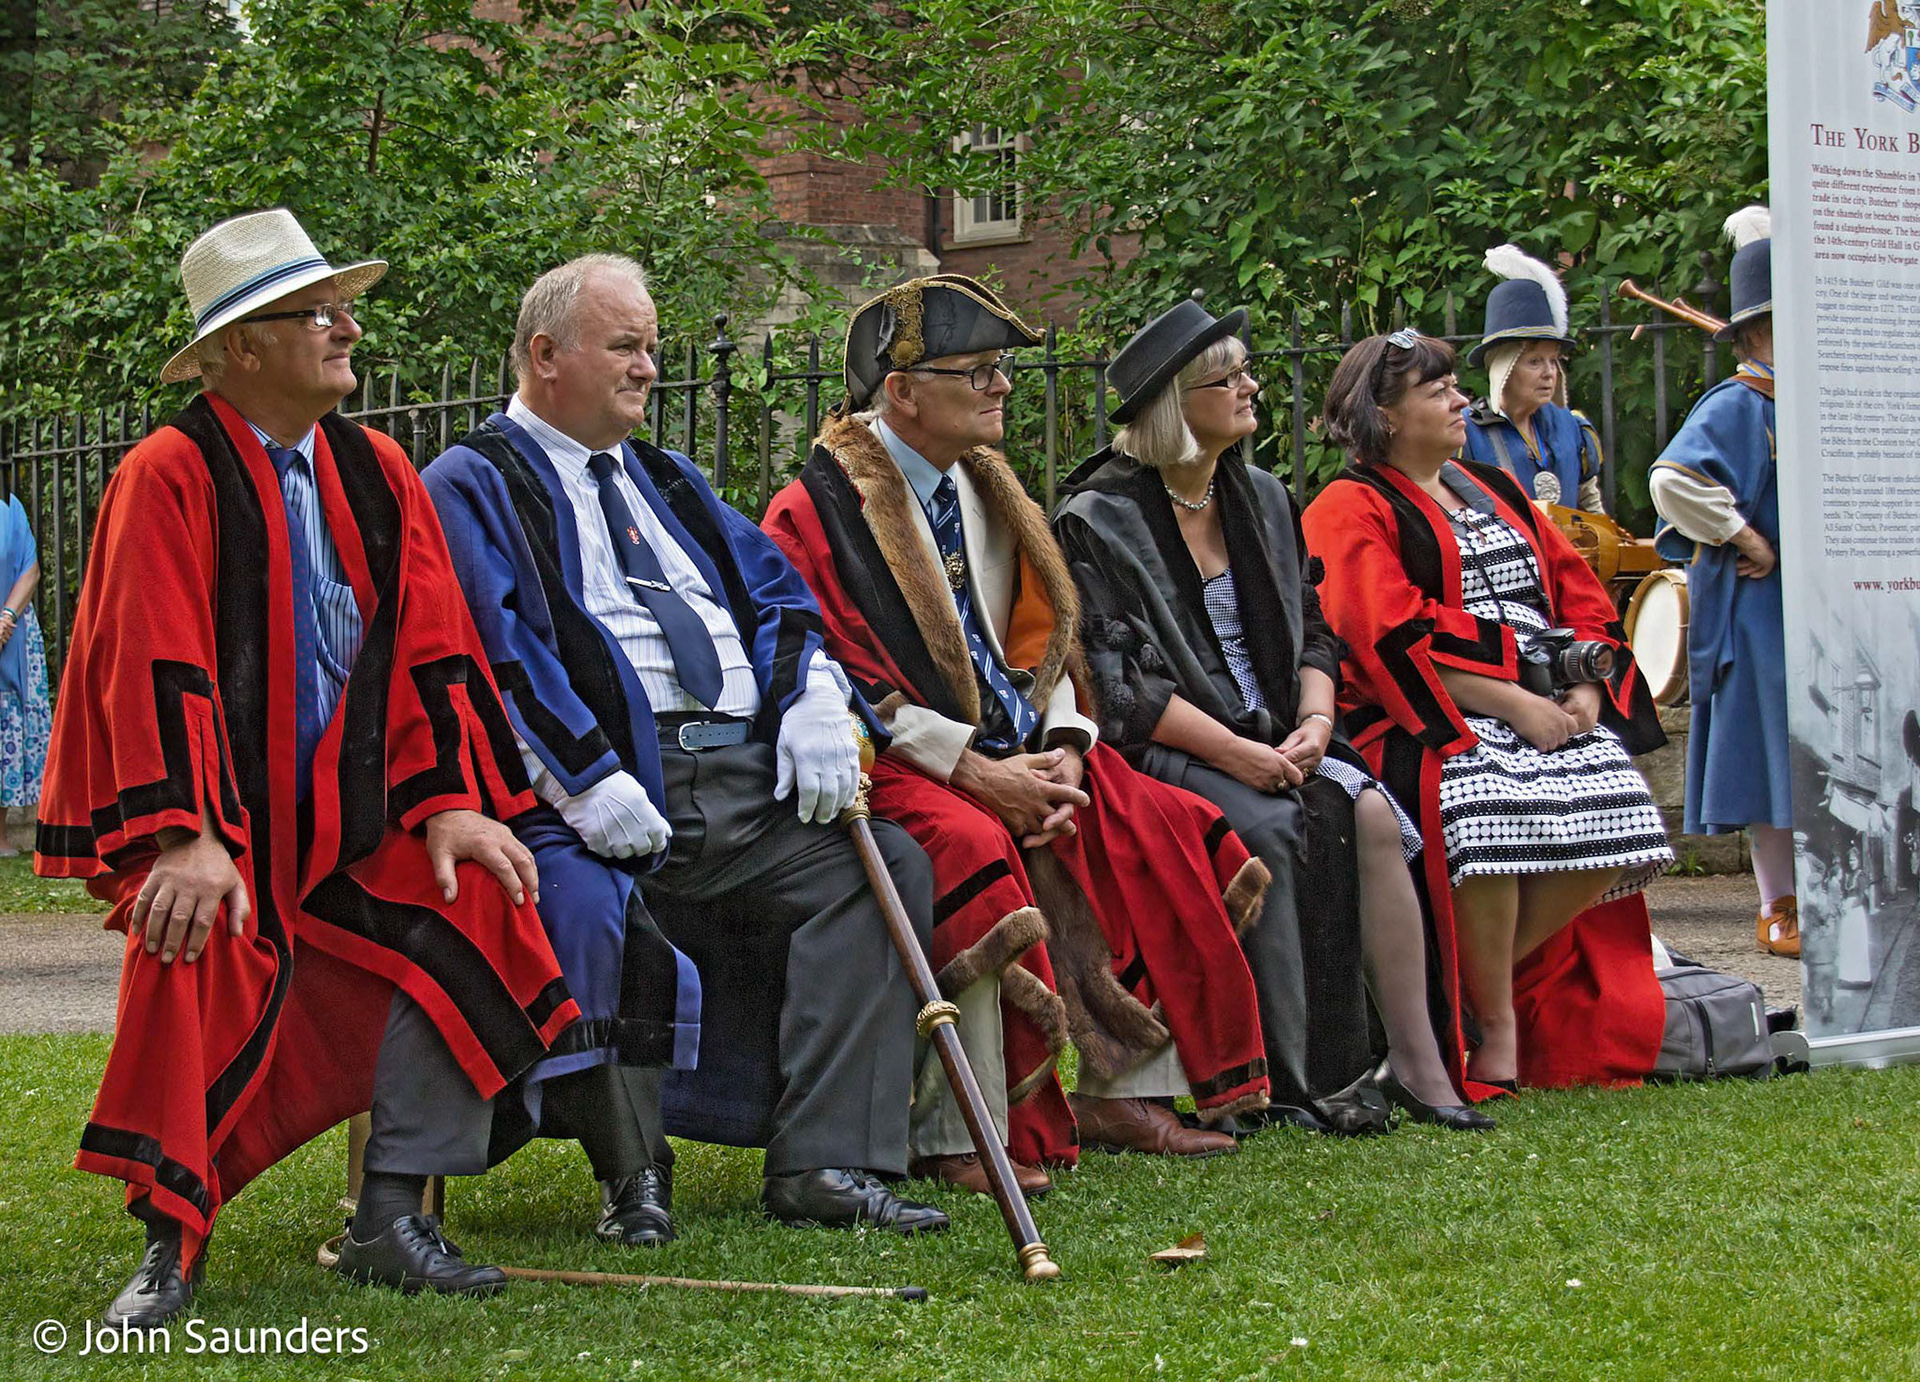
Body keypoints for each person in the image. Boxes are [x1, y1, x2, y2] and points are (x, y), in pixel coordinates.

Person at [35, 210, 579, 1328]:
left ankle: (388, 1212)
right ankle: (170, 1240)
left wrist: (449, 806)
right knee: (188, 930)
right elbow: (149, 660)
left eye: (343, 306)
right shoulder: (167, 473)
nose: (348, 327)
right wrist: (185, 832)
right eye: (317, 312)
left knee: (478, 888)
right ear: (242, 347)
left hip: (350, 819)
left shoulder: (378, 468)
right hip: (221, 823)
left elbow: (433, 645)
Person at [423, 254, 947, 1237]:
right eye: (626, 345)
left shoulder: (666, 478)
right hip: (604, 779)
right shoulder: (471, 482)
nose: (649, 367)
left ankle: (825, 1162)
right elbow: (492, 644)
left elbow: (779, 592)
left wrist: (810, 696)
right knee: (589, 899)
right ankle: (636, 1172)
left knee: (880, 873)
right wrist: (584, 778)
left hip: (744, 776)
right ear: (545, 354)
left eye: (651, 346)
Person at [763, 274, 1273, 1188]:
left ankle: (1129, 1090)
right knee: (966, 846)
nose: (1003, 387)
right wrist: (975, 772)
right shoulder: (816, 507)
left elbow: (1049, 640)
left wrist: (1067, 746)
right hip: (900, 760)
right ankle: (966, 1127)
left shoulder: (985, 487)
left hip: (1016, 745)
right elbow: (833, 673)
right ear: (903, 390)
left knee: (1149, 815)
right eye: (982, 371)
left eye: (1004, 370)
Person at [1055, 298, 1492, 1131]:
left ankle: (1414, 1062)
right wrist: (1238, 754)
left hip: (1283, 734)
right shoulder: (1097, 519)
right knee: (1270, 826)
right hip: (1172, 745)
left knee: (1365, 811)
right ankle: (1288, 1083)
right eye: (1230, 378)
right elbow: (1116, 688)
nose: (1253, 387)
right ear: (1174, 406)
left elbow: (1314, 632)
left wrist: (1319, 724)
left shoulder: (1259, 495)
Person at [1304, 329, 1673, 1095]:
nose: (1459, 401)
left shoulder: (1495, 489)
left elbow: (1576, 592)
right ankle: (1496, 1026)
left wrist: (1587, 685)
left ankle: (1466, 989)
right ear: (1386, 415)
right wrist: (1511, 699)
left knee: (1623, 808)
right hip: (1425, 714)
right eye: (1437, 392)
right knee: (1483, 798)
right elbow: (1385, 630)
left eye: (1453, 388)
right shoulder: (1348, 506)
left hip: (1543, 699)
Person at [1649, 206, 1795, 956]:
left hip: (1823, 608)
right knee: (1775, 753)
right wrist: (1749, 539)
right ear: (1758, 332)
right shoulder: (1741, 403)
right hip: (1761, 611)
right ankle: (1781, 905)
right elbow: (1672, 480)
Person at [1460, 245, 1607, 513]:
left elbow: (1589, 502)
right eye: (1534, 361)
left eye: (1553, 360)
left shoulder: (1572, 427)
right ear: (1504, 368)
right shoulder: (1465, 434)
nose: (1549, 372)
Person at [0, 489, 51, 848]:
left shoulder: (11, 509)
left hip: (12, 631)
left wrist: (7, 617)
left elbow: (30, 568)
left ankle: (1, 835)